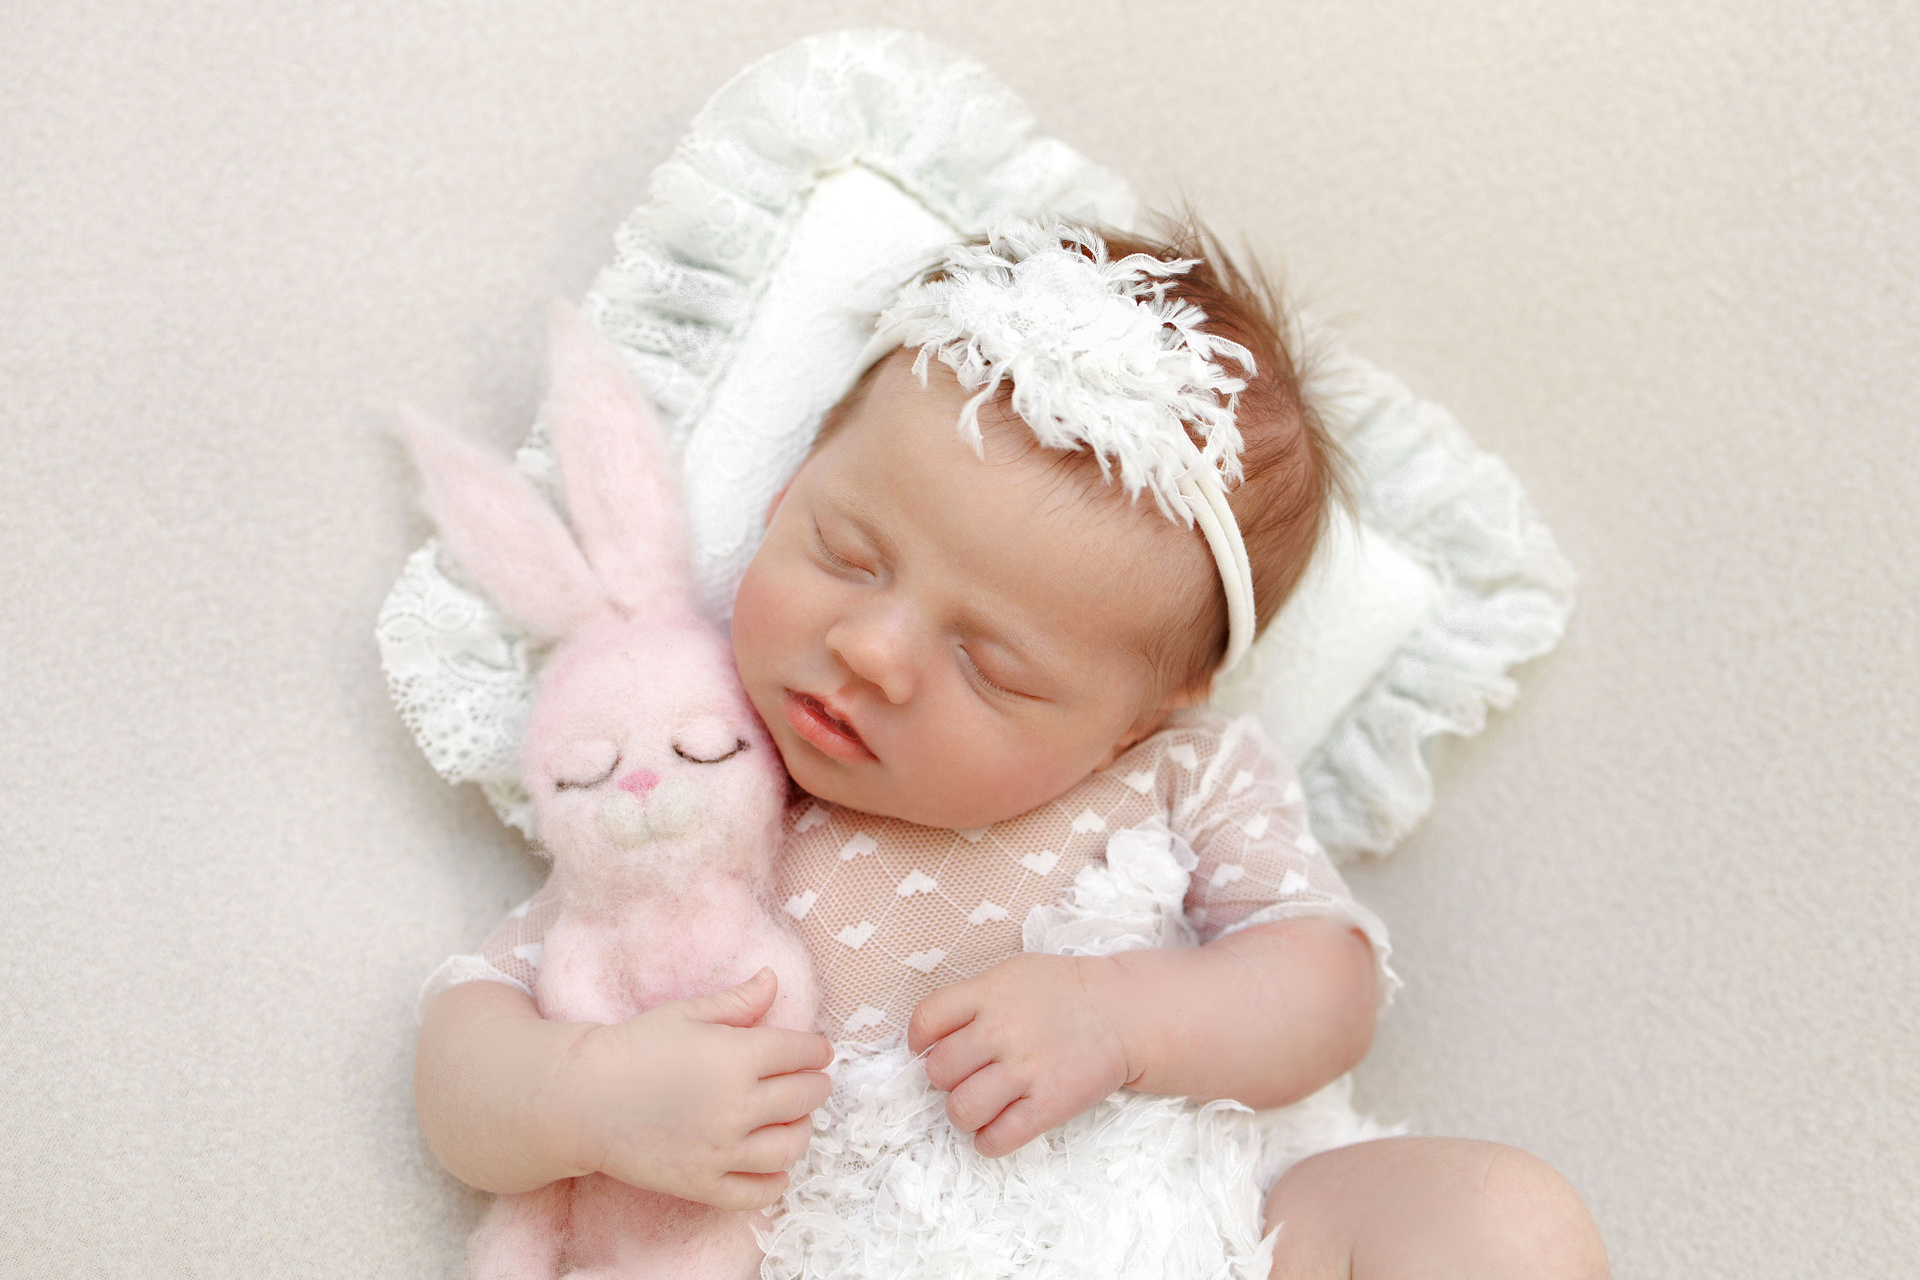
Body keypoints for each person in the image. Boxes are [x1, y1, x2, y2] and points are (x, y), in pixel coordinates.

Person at [412, 218, 1609, 1278]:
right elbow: (468, 1042)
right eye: (847, 553)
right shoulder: (690, 765)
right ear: (787, 493)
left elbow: (1327, 987)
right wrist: (588, 1095)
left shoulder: (1178, 773)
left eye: (992, 664)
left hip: (1203, 1228)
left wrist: (1125, 1016)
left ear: (1137, 715)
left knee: (1507, 1223)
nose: (873, 649)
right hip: (846, 1242)